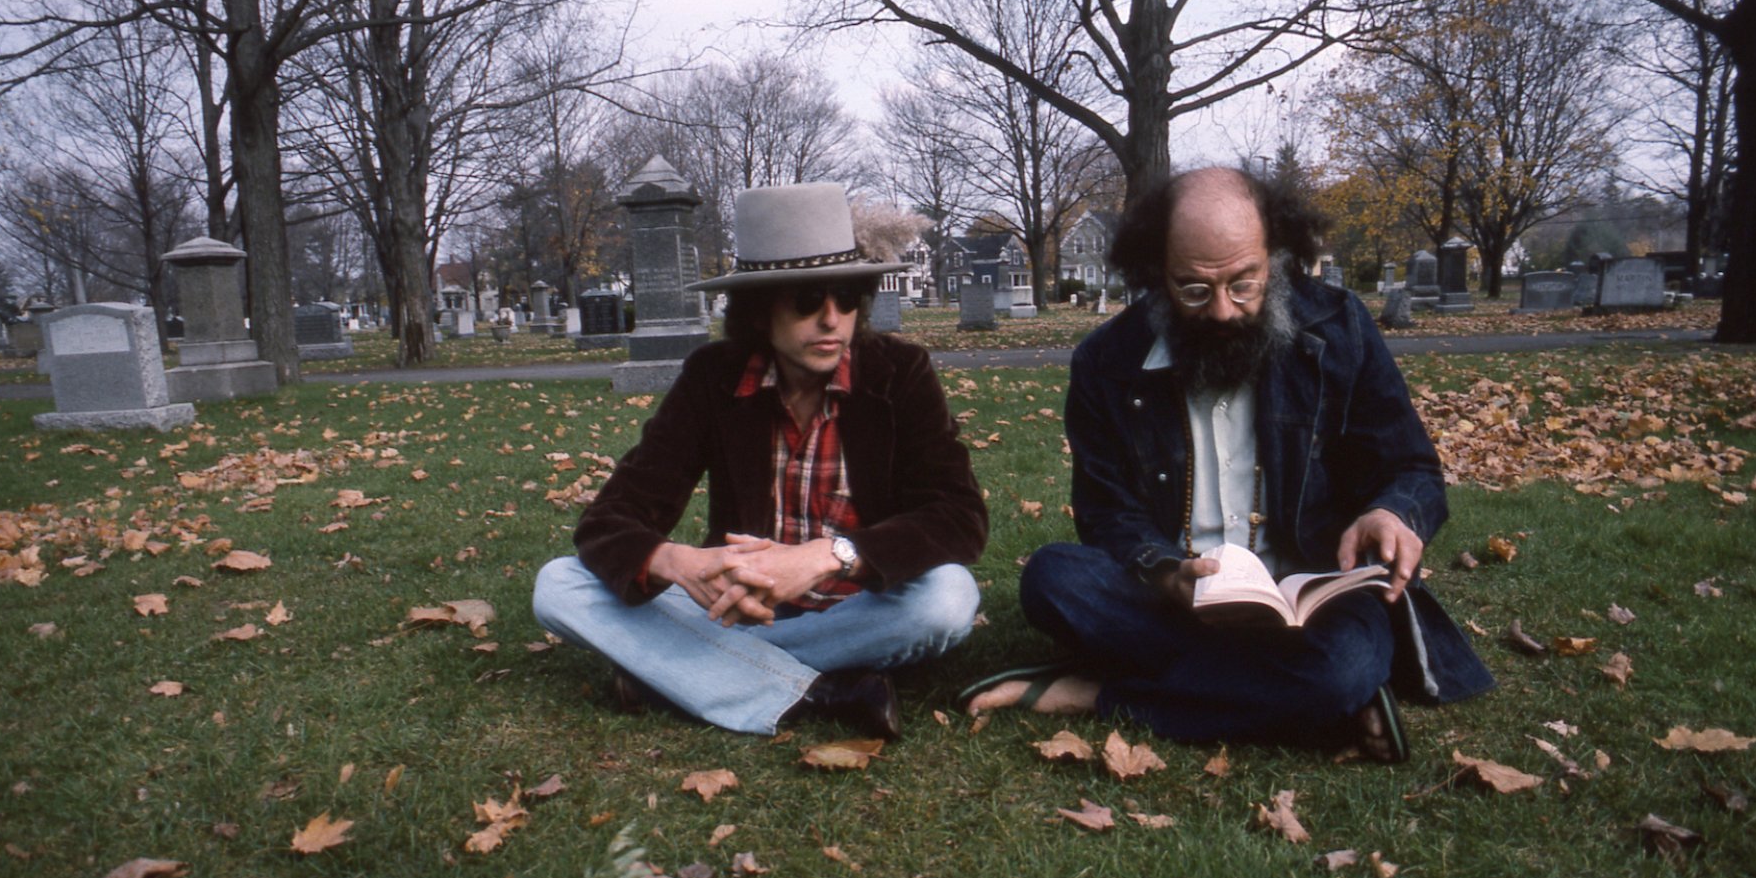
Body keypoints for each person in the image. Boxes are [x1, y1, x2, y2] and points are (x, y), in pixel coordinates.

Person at [963, 167, 1492, 760]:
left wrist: (1394, 513)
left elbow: (1412, 469)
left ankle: (1102, 693)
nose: (1222, 311)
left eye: (1245, 284)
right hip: (1174, 601)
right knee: (1052, 580)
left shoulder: (1339, 328)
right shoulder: (1105, 362)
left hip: (1311, 605)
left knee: (1344, 662)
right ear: (1155, 273)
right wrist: (1166, 573)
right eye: (1193, 289)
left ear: (1276, 258)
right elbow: (1107, 514)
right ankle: (1310, 700)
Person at [533, 182, 988, 740]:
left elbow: (958, 517)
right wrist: (677, 562)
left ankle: (670, 673)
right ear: (757, 310)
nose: (831, 320)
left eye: (846, 297)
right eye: (806, 301)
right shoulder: (714, 377)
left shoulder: (900, 372)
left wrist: (829, 556)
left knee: (948, 598)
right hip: (737, 603)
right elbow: (611, 518)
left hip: (862, 604)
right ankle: (820, 691)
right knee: (558, 585)